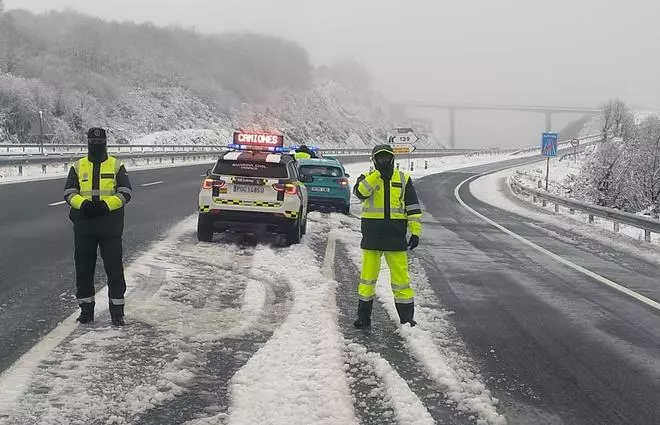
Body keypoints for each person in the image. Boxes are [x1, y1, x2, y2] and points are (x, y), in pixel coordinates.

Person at [63, 128, 132, 326]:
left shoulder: (116, 165)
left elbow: (126, 192)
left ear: (105, 142)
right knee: (84, 269)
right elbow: (69, 192)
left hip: (110, 225)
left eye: (99, 141)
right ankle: (86, 310)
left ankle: (117, 312)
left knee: (114, 270)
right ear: (87, 142)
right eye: (93, 142)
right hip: (84, 224)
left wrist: (105, 205)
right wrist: (82, 204)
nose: (96, 145)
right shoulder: (78, 166)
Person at [352, 144, 422, 329]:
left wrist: (415, 232)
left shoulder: (403, 178)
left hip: (395, 237)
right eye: (380, 158)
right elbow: (360, 193)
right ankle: (363, 317)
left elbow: (413, 208)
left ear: (392, 158)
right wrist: (377, 175)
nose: (383, 161)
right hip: (372, 237)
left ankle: (407, 319)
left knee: (401, 280)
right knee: (367, 279)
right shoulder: (366, 178)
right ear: (374, 160)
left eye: (386, 157)